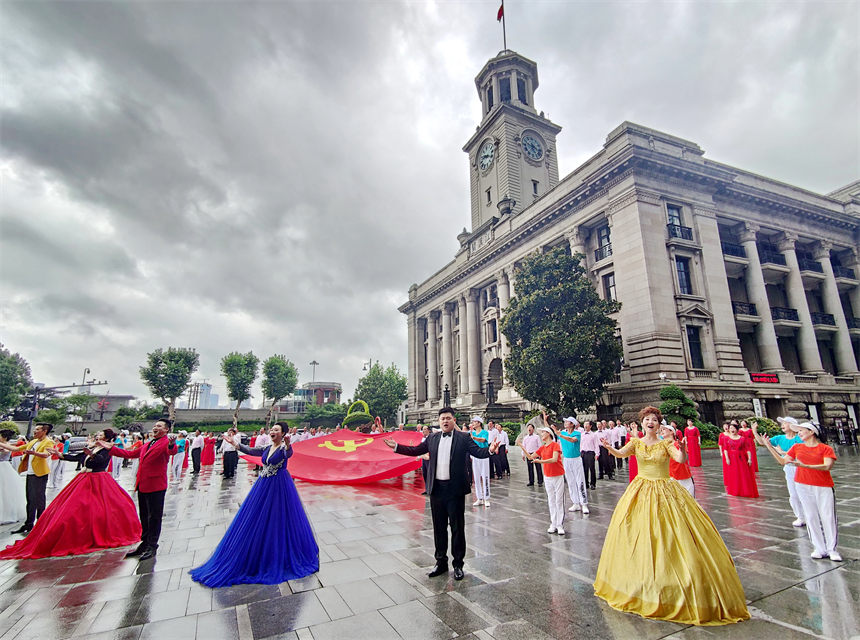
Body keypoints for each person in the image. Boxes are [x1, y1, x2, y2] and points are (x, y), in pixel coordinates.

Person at [594, 406, 749, 625]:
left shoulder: (666, 443)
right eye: (647, 419)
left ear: (659, 424)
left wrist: (684, 449)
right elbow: (622, 454)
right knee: (637, 535)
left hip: (665, 489)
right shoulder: (636, 442)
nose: (650, 422)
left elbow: (680, 459)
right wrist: (610, 448)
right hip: (640, 490)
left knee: (671, 535)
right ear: (641, 423)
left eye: (654, 420)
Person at [190, 423, 319, 587]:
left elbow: (289, 453)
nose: (273, 431)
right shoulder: (267, 447)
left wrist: (287, 443)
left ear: (284, 433)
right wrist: (235, 444)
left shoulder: (283, 448)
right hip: (263, 485)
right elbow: (251, 451)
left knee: (278, 518)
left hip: (279, 486)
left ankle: (279, 552)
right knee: (255, 517)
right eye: (272, 429)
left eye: (276, 430)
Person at [384, 407, 498, 580]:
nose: (445, 421)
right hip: (437, 489)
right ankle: (441, 562)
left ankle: (458, 564)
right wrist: (397, 447)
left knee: (457, 528)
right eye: (442, 418)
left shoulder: (463, 438)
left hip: (455, 490)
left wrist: (490, 449)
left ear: (454, 421)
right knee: (438, 528)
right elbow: (416, 450)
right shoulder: (432, 438)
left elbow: (478, 452)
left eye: (448, 418)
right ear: (439, 421)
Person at [0, 429, 141, 559]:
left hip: (99, 480)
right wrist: (60, 455)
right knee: (72, 508)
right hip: (85, 479)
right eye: (98, 434)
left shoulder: (107, 449)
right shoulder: (94, 447)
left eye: (101, 434)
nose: (98, 435)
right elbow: (79, 458)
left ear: (107, 437)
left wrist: (91, 454)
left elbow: (100, 462)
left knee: (98, 508)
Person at [755, 421, 841, 561]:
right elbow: (783, 462)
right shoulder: (797, 447)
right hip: (802, 485)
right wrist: (769, 446)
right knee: (811, 516)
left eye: (801, 430)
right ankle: (819, 548)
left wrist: (804, 465)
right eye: (799, 431)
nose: (799, 433)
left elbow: (827, 466)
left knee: (828, 516)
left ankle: (832, 549)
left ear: (811, 432)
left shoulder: (825, 448)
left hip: (823, 486)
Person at [102, 419, 177, 561]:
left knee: (154, 517)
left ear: (166, 430)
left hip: (156, 486)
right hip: (143, 484)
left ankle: (152, 545)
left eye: (159, 426)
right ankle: (145, 542)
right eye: (155, 425)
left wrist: (172, 444)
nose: (155, 428)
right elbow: (130, 455)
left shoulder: (166, 442)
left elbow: (171, 451)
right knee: (144, 515)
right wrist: (109, 448)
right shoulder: (148, 444)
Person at [1, 423, 56, 535]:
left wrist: (34, 453)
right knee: (30, 499)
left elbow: (46, 454)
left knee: (39, 499)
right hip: (31, 473)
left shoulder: (48, 442)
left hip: (40, 474)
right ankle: (28, 524)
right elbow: (15, 448)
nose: (34, 431)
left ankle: (41, 524)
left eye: (37, 429)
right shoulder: (33, 441)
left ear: (44, 431)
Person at [759, 417, 805, 527]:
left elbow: (799, 455)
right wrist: (755, 431)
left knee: (804, 493)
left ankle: (811, 515)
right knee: (793, 495)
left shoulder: (800, 438)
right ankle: (800, 516)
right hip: (789, 468)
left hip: (802, 468)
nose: (782, 425)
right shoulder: (780, 438)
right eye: (782, 423)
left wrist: (781, 452)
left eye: (785, 423)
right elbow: (763, 443)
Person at [524, 425, 566, 534]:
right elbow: (530, 457)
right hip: (548, 476)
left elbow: (554, 459)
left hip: (557, 475)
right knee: (551, 500)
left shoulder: (555, 445)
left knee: (558, 500)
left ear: (548, 434)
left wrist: (540, 462)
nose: (541, 435)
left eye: (543, 433)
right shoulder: (542, 447)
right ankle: (553, 523)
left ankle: (560, 524)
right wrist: (521, 446)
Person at [550, 415, 589, 514]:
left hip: (576, 459)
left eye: (567, 422)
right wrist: (548, 423)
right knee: (571, 482)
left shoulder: (577, 433)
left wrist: (560, 435)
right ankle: (575, 502)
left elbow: (572, 440)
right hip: (567, 460)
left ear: (572, 424)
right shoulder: (562, 432)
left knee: (580, 481)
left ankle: (583, 503)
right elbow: (551, 431)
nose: (565, 423)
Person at [723, 423, 758, 498]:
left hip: (741, 458)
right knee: (734, 474)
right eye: (731, 428)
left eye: (734, 428)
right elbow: (725, 449)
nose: (732, 430)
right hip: (732, 458)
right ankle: (736, 490)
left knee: (743, 474)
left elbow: (748, 449)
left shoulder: (742, 438)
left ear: (737, 429)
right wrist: (727, 458)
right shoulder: (727, 438)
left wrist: (749, 458)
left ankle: (744, 490)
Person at [661, 424, 695, 498]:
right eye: (661, 430)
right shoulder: (662, 446)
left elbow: (684, 458)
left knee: (689, 501)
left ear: (671, 432)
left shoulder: (679, 444)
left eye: (664, 429)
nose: (662, 431)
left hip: (684, 477)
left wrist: (682, 450)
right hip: (670, 478)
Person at [0, 429, 25, 524]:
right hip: (4, 466)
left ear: (4, 437)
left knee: (5, 491)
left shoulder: (7, 445)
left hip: (3, 466)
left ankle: (6, 513)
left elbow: (7, 450)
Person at [469, 416, 491, 507]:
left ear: (479, 423)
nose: (473, 424)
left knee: (485, 477)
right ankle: (479, 498)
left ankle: (486, 498)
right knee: (477, 478)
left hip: (484, 456)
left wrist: (473, 437)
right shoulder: (472, 433)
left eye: (474, 422)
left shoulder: (484, 432)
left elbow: (483, 440)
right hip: (475, 457)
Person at [579, 421, 599, 490]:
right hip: (583, 453)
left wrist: (597, 454)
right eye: (584, 425)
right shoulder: (581, 434)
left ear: (590, 426)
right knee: (584, 469)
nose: (586, 426)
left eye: (587, 425)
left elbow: (596, 445)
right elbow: (580, 445)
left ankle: (593, 484)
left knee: (592, 469)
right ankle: (586, 483)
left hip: (590, 452)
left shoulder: (593, 435)